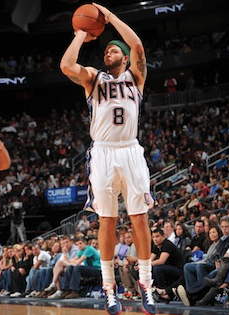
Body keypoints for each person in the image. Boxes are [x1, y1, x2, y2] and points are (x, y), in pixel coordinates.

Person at [60, 3, 155, 315]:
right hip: (102, 152)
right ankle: (109, 288)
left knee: (139, 217)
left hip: (130, 149)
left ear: (124, 58)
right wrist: (80, 34)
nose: (107, 54)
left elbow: (138, 45)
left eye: (113, 51)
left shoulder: (136, 76)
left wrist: (111, 18)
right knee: (108, 221)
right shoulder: (94, 79)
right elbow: (66, 66)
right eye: (105, 52)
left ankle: (146, 283)